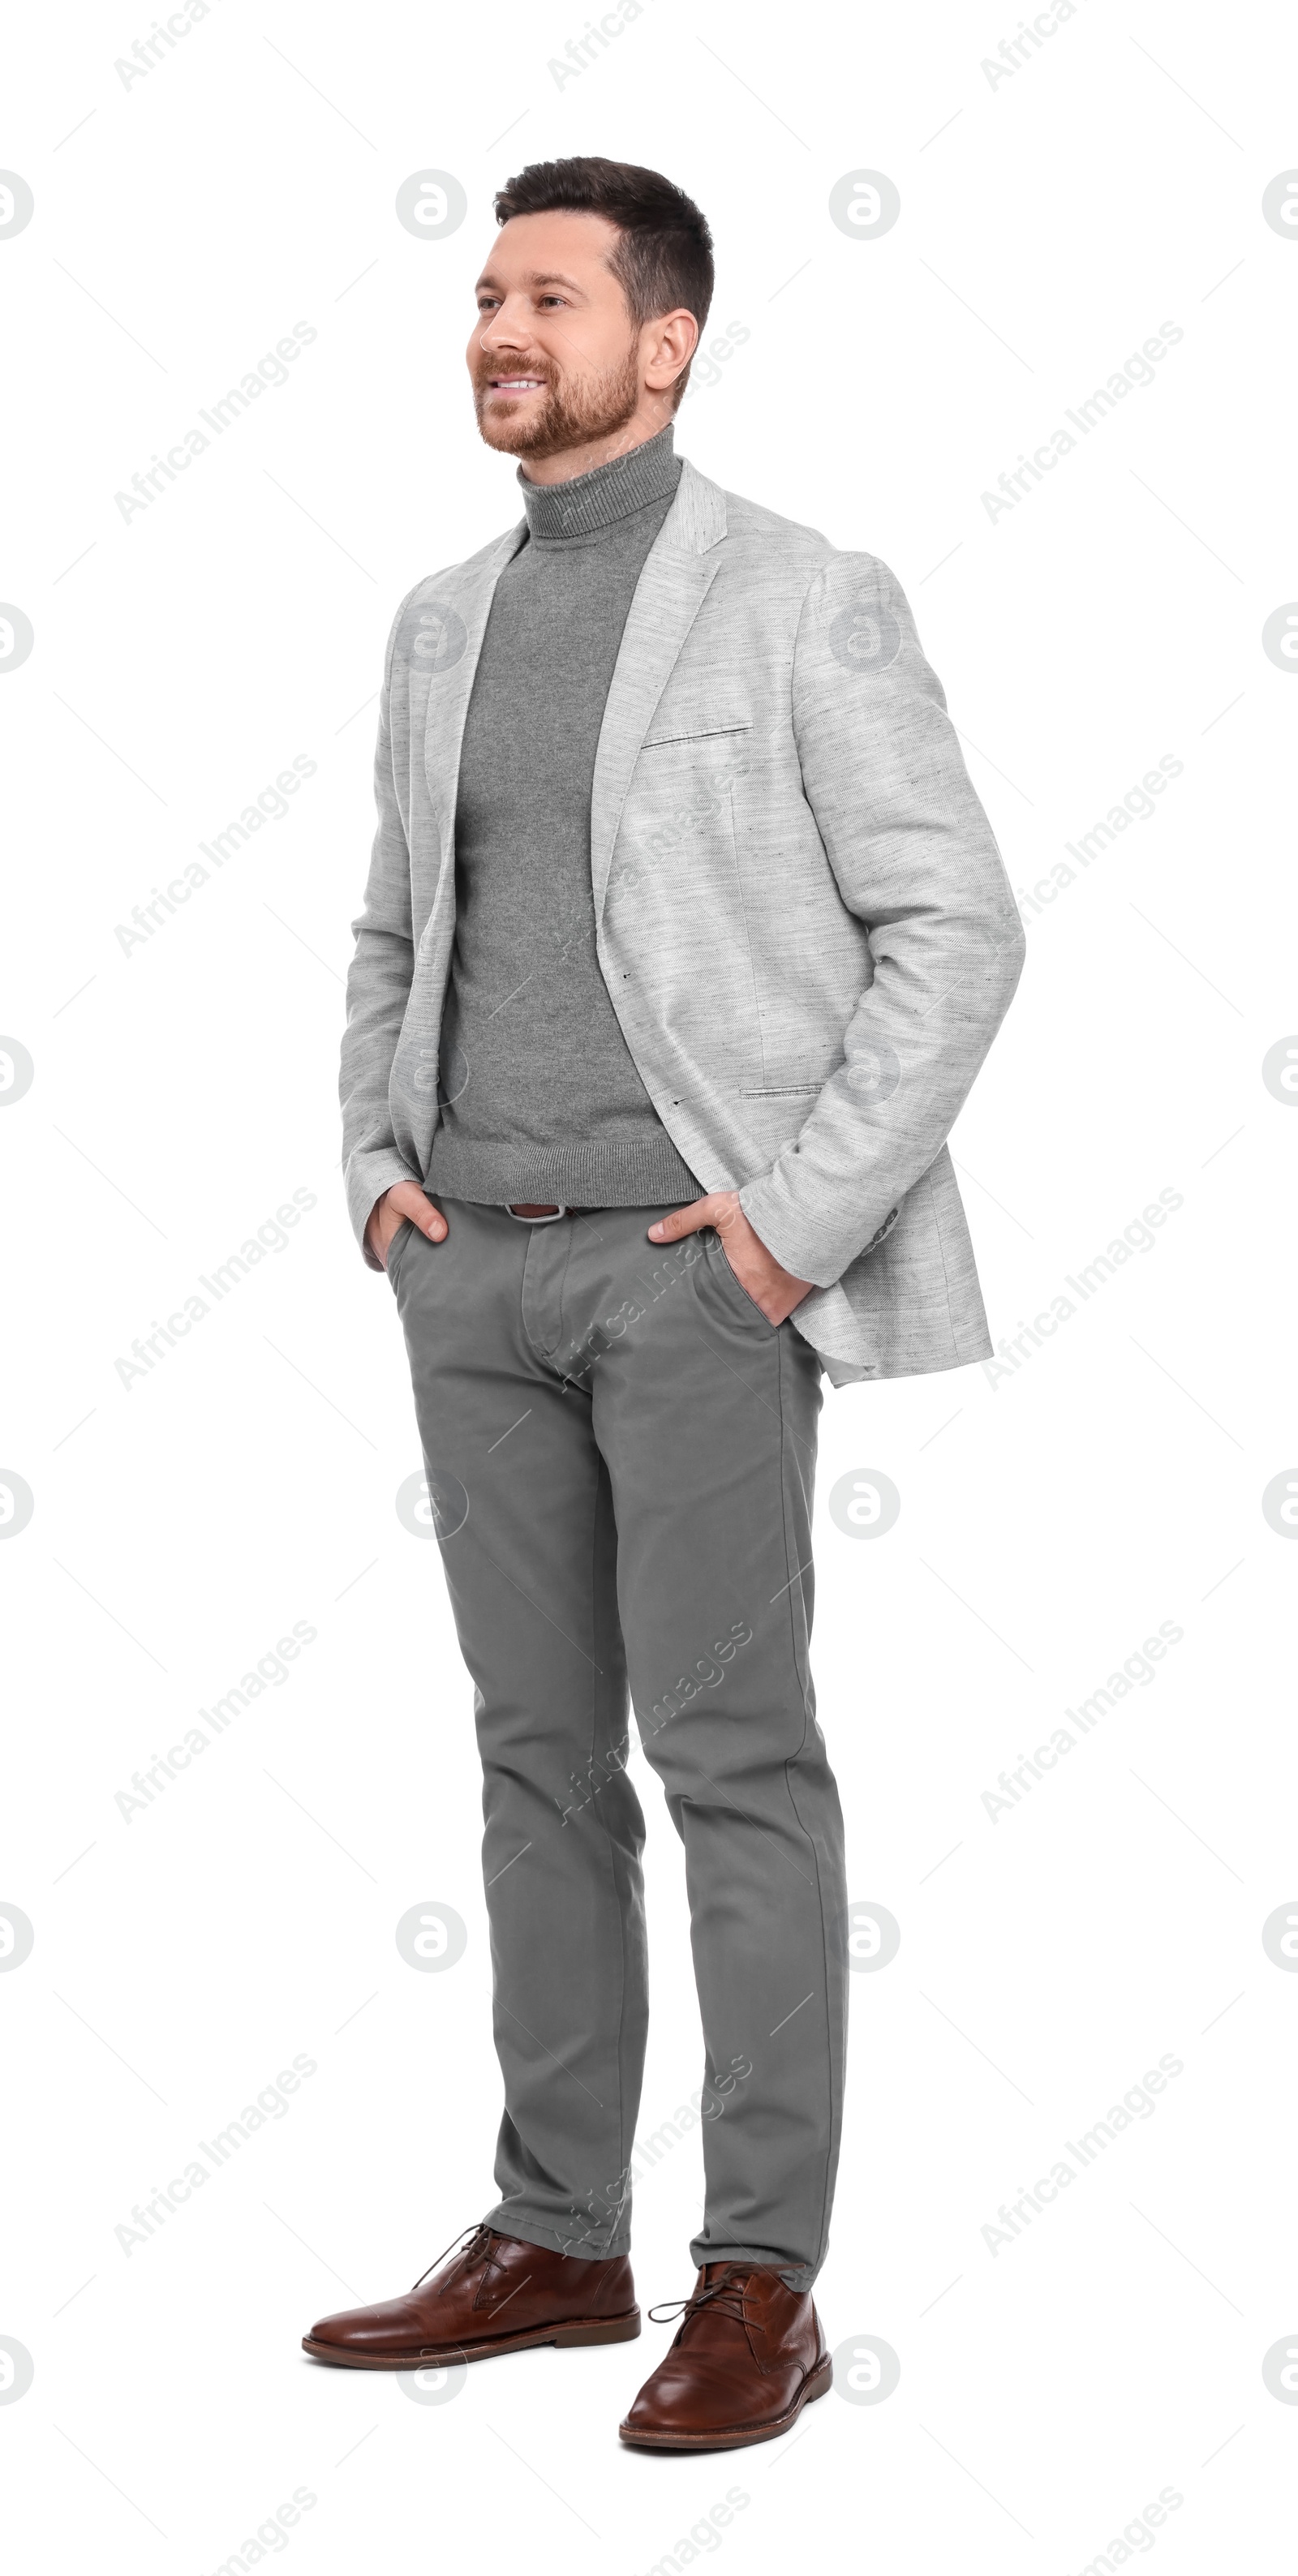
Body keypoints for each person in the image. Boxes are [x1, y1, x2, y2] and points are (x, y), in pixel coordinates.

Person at [307, 155, 1025, 2451]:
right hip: (472, 1279)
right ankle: (553, 2235)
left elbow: (959, 929)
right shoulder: (440, 618)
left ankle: (760, 2281)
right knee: (534, 1769)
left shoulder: (804, 600)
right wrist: (375, 1176)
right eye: (483, 297)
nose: (495, 329)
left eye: (543, 297)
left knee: (732, 1770)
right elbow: (391, 935)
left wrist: (788, 1232)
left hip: (689, 1285)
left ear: (669, 338)